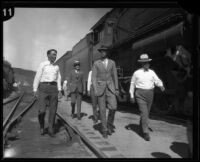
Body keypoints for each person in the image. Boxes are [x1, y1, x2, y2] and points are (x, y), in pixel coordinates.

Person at [129, 53, 165, 141]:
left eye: (148, 62)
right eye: (145, 63)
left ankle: (141, 127)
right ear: (142, 64)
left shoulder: (152, 72)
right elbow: (132, 84)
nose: (147, 64)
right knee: (144, 113)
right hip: (140, 94)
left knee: (146, 113)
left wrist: (161, 85)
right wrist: (131, 95)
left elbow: (157, 80)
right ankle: (145, 132)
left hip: (150, 94)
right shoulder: (136, 73)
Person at [33, 49, 62, 137]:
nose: (55, 56)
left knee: (53, 110)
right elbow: (37, 77)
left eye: (56, 54)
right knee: (42, 111)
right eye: (53, 54)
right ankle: (42, 126)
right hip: (43, 88)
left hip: (53, 89)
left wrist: (59, 90)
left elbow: (59, 78)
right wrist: (35, 89)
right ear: (48, 55)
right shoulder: (43, 65)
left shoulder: (57, 66)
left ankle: (50, 128)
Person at [92, 45, 119, 138]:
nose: (103, 53)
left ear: (107, 52)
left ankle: (110, 125)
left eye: (104, 51)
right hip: (100, 89)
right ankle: (104, 130)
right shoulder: (96, 63)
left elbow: (115, 76)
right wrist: (95, 89)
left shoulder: (112, 63)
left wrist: (116, 88)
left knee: (113, 107)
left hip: (110, 88)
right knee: (102, 110)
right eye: (101, 51)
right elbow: (94, 77)